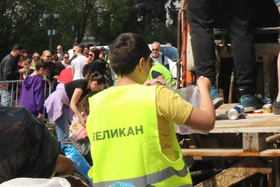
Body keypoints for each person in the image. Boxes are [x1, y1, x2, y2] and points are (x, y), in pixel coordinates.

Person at [87, 32, 215, 187]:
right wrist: (204, 88)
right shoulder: (158, 96)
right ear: (142, 63)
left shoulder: (96, 103)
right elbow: (207, 121)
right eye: (150, 63)